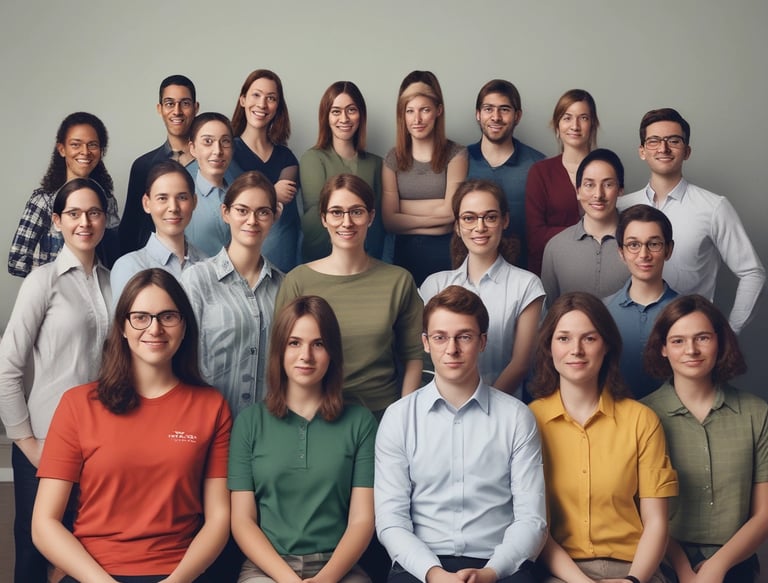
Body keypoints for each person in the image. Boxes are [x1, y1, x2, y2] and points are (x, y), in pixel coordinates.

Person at [32, 268, 231, 583]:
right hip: (94, 573)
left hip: (179, 573)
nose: (154, 328)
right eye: (140, 317)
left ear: (184, 327)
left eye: (168, 316)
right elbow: (44, 524)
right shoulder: (77, 404)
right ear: (122, 328)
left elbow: (219, 518)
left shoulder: (211, 406)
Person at [375, 285, 547, 583]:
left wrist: (491, 572)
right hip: (420, 566)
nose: (451, 349)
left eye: (464, 337)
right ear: (426, 343)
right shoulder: (399, 418)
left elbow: (532, 519)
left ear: (482, 342)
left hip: (499, 564)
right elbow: (391, 521)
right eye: (440, 337)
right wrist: (434, 574)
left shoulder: (517, 417)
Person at [0, 178, 112, 583]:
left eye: (94, 212)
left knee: (84, 550)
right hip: (45, 440)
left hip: (99, 443)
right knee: (35, 551)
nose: (85, 222)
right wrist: (27, 443)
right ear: (57, 221)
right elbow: (7, 366)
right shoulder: (41, 281)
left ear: (105, 219)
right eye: (74, 213)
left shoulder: (112, 281)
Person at [529, 292, 678, 583]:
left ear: (607, 345)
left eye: (589, 338)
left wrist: (632, 580)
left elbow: (657, 522)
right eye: (563, 339)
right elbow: (535, 526)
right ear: (548, 346)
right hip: (560, 572)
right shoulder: (529, 421)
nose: (576, 350)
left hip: (635, 568)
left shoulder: (641, 420)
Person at [229, 295, 377, 583]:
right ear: (279, 351)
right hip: (267, 569)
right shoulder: (249, 423)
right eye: (294, 343)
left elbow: (362, 521)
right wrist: (287, 579)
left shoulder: (360, 423)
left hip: (339, 570)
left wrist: (325, 579)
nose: (305, 356)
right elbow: (242, 521)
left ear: (332, 352)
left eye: (318, 344)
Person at [276, 174, 424, 419]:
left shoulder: (398, 281)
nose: (346, 222)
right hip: (315, 416)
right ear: (323, 219)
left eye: (356, 212)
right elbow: (281, 356)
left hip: (381, 415)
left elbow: (415, 355)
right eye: (336, 212)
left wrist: (403, 417)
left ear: (371, 216)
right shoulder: (297, 281)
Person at [643, 295, 768, 583]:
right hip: (661, 563)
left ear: (720, 342)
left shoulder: (757, 414)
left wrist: (718, 566)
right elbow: (637, 510)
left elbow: (764, 514)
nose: (691, 350)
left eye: (702, 338)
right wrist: (683, 569)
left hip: (736, 561)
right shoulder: (642, 416)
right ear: (662, 348)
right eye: (677, 341)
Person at [617, 108, 765, 334]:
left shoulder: (713, 207)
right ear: (642, 151)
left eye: (673, 141)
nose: (663, 148)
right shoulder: (621, 207)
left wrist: (729, 332)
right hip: (627, 334)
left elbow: (752, 273)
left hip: (690, 341)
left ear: (687, 151)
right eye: (654, 141)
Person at [420, 179, 544, 399]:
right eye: (469, 218)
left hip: (503, 410)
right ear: (457, 226)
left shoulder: (527, 285)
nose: (480, 227)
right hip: (443, 408)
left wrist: (482, 407)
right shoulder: (434, 286)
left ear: (504, 220)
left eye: (490, 217)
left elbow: (521, 364)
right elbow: (427, 358)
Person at [182, 171, 283, 417]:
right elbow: (181, 358)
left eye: (262, 212)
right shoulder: (197, 279)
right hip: (208, 424)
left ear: (274, 216)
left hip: (266, 427)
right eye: (242, 210)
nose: (252, 220)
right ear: (225, 213)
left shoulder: (284, 285)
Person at [382, 70, 468, 286]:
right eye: (410, 111)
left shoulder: (456, 154)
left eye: (425, 110)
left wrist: (404, 209)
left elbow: (451, 212)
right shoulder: (392, 158)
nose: (417, 119)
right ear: (402, 115)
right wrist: (438, 217)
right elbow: (389, 220)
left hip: (445, 255)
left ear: (438, 111)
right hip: (404, 256)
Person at [8, 111, 120, 277]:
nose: (85, 151)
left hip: (96, 295)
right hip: (55, 298)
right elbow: (16, 261)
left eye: (92, 145)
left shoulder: (107, 200)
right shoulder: (43, 201)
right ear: (62, 149)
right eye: (76, 144)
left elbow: (113, 256)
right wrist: (57, 282)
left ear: (101, 150)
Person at [300, 80, 386, 262]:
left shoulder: (376, 164)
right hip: (322, 259)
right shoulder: (313, 159)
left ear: (361, 115)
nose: (344, 118)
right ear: (326, 116)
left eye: (351, 110)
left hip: (369, 260)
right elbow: (315, 217)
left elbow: (378, 220)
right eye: (336, 111)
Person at [466, 79, 545, 268]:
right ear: (478, 114)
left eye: (504, 109)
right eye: (488, 109)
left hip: (525, 272)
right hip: (467, 272)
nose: (496, 117)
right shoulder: (459, 161)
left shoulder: (538, 165)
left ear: (517, 116)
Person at [119, 74, 200, 254]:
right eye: (170, 103)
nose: (177, 111)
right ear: (160, 108)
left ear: (195, 108)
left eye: (185, 103)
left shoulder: (214, 164)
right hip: (158, 270)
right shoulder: (143, 166)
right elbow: (131, 231)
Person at [604, 204, 678, 398]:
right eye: (634, 245)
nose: (644, 255)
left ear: (668, 250)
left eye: (653, 244)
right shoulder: (602, 311)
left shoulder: (687, 313)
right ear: (621, 252)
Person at [231, 69, 300, 272]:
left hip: (280, 257)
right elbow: (226, 199)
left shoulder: (286, 157)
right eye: (256, 95)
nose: (262, 104)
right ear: (243, 99)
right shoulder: (226, 151)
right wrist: (272, 192)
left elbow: (284, 200)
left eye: (271, 98)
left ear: (278, 107)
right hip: (235, 254)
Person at [541, 148, 629, 305]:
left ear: (620, 190)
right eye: (589, 185)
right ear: (578, 191)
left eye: (608, 184)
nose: (598, 195)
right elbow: (549, 315)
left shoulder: (638, 244)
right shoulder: (556, 247)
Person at [525, 89, 598, 275]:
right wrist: (587, 235)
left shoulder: (605, 169)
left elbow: (613, 227)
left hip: (598, 266)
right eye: (567, 118)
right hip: (552, 268)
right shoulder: (540, 172)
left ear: (593, 125)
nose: (575, 125)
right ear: (557, 126)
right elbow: (536, 236)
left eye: (583, 118)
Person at [111, 160, 206, 300]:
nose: (173, 207)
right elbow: (122, 321)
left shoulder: (207, 263)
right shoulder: (129, 267)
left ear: (194, 202)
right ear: (146, 203)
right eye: (162, 198)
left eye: (182, 197)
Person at [186, 112, 236, 257]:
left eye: (225, 142)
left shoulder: (239, 194)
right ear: (193, 148)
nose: (218, 151)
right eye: (208, 141)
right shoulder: (183, 197)